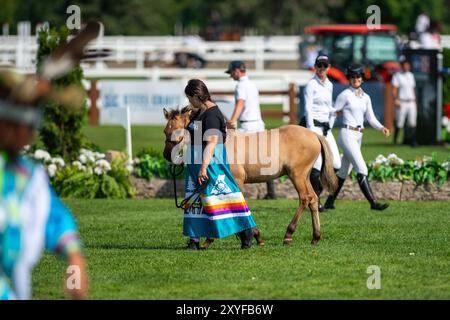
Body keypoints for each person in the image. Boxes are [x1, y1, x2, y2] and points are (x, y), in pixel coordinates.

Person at [0, 70, 88, 299]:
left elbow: (53, 217)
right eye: (21, 128)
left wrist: (74, 260)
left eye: (30, 129)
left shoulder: (29, 176)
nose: (27, 136)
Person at [183, 79, 257, 250]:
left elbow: (212, 142)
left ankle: (245, 230)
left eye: (189, 98)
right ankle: (193, 241)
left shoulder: (212, 115)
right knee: (194, 201)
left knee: (222, 197)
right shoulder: (198, 112)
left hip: (211, 163)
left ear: (196, 96)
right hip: (195, 162)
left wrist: (203, 167)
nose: (189, 102)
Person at [324, 64, 390, 211]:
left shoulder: (366, 97)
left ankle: (329, 201)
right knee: (362, 169)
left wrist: (381, 127)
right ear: (349, 78)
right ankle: (373, 203)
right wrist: (327, 131)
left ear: (362, 78)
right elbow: (334, 113)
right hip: (347, 134)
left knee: (343, 172)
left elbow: (371, 117)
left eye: (358, 76)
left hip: (358, 135)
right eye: (352, 76)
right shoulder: (345, 95)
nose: (356, 79)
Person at [225, 60, 277, 199]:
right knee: (264, 158)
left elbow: (240, 103)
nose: (231, 76)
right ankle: (271, 192)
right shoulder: (252, 84)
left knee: (236, 158)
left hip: (248, 126)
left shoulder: (240, 86)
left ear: (237, 71)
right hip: (258, 123)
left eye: (231, 73)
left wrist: (232, 121)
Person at [301, 53, 341, 212]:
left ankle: (316, 195)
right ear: (315, 67)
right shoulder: (311, 84)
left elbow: (328, 107)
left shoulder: (329, 85)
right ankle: (315, 201)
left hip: (325, 128)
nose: (321, 69)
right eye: (319, 66)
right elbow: (308, 108)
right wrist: (311, 131)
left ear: (329, 68)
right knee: (316, 165)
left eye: (325, 66)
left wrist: (334, 115)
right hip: (314, 127)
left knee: (336, 163)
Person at [391, 56, 418, 147]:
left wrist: (415, 101)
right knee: (400, 122)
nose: (407, 67)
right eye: (405, 65)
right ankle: (395, 140)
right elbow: (394, 89)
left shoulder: (411, 75)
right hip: (402, 101)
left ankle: (413, 141)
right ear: (402, 66)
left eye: (408, 65)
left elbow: (413, 89)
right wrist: (396, 100)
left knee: (412, 122)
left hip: (411, 101)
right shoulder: (397, 76)